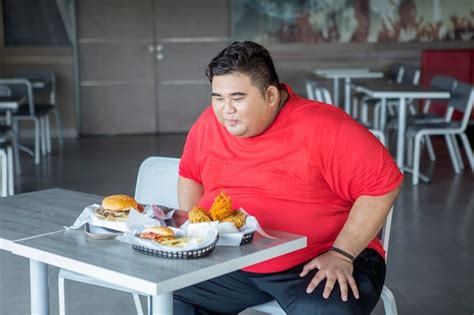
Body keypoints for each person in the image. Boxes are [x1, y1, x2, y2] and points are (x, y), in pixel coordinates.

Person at [175, 41, 403, 314]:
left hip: (319, 258)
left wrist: (343, 253)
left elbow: (383, 184)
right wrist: (196, 237)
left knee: (327, 309)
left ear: (270, 96)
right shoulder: (208, 124)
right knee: (172, 294)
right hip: (235, 260)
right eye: (218, 98)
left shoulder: (326, 127)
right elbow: (190, 174)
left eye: (237, 98)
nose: (226, 110)